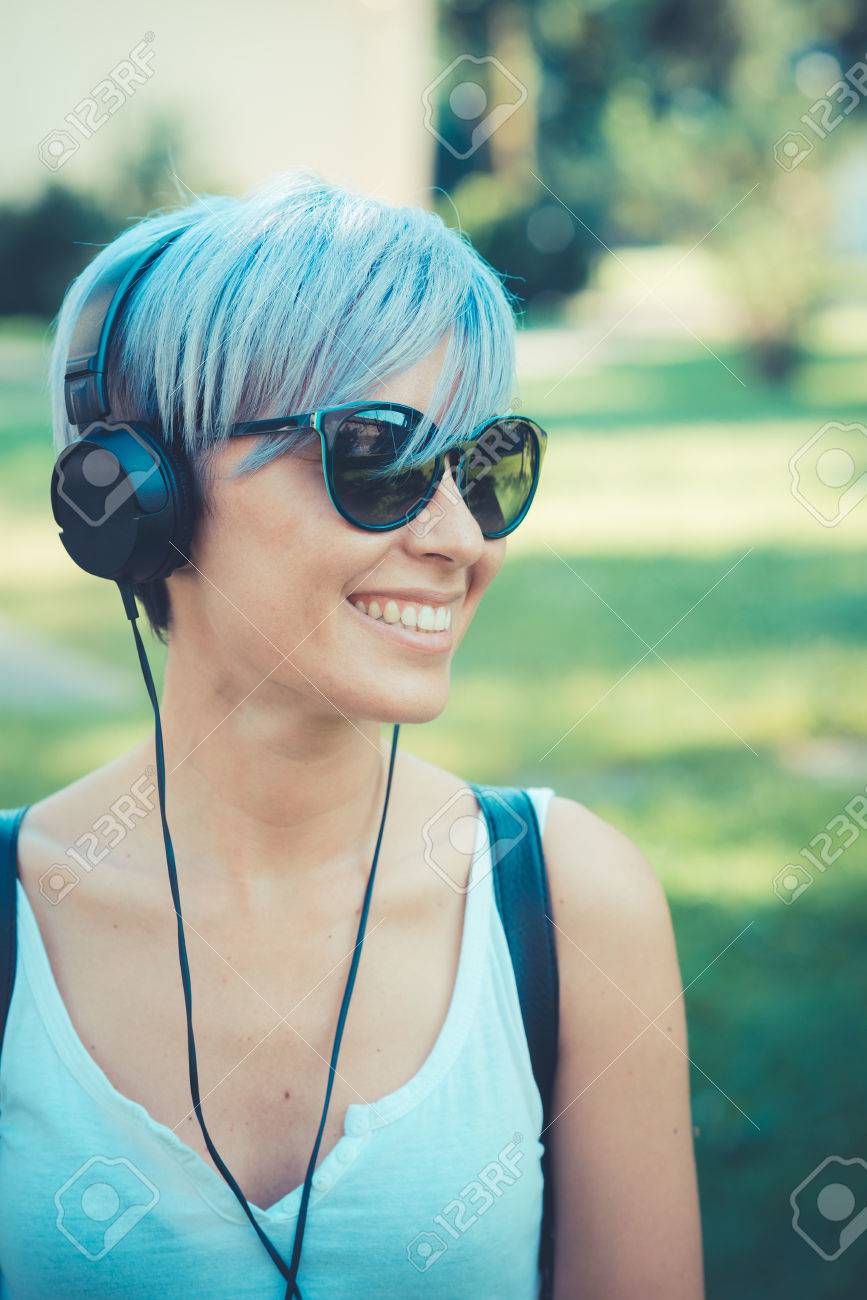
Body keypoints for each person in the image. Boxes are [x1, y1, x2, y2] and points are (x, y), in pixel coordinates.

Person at [0, 171, 704, 1298]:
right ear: (137, 495)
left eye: (486, 465)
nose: (461, 534)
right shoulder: (13, 924)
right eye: (378, 455)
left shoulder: (570, 906)